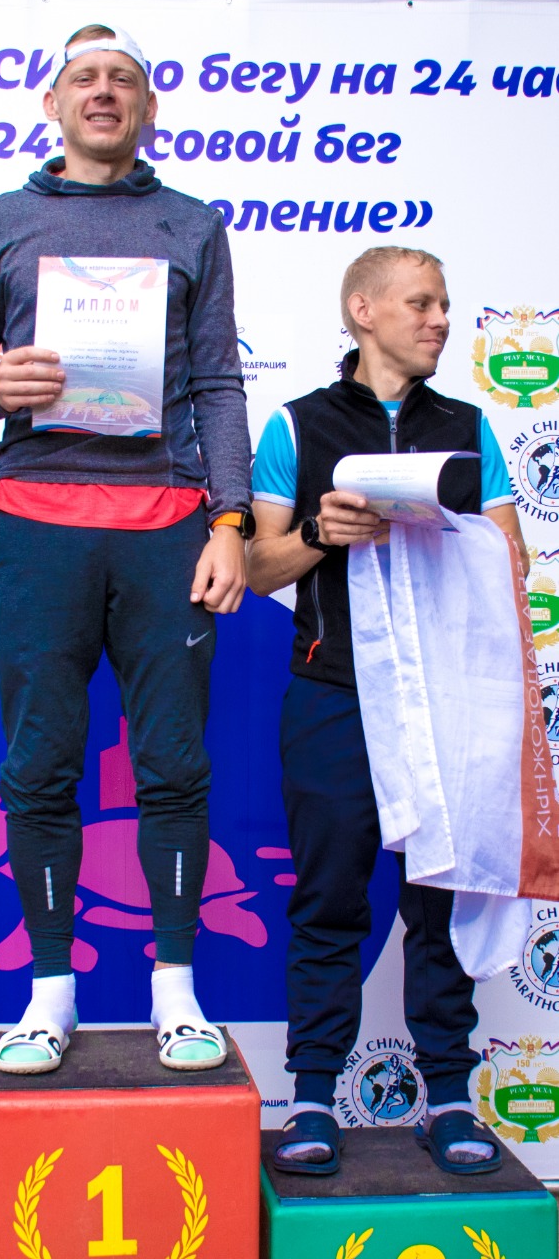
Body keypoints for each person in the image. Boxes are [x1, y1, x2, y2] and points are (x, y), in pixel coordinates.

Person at [0, 23, 253, 1073]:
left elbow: (218, 383)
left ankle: (178, 994)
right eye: (84, 77)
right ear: (54, 103)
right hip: (37, 525)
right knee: (37, 767)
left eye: (123, 78)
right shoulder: (1, 220)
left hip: (165, 527)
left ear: (148, 108)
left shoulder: (192, 223)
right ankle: (48, 996)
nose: (103, 91)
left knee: (174, 765)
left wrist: (230, 519)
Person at [248, 246, 526, 1175]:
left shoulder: (469, 427)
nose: (441, 319)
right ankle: (313, 1097)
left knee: (439, 899)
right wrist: (323, 532)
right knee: (328, 900)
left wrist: (442, 526)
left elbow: (511, 561)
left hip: (446, 702)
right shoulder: (298, 424)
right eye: (422, 303)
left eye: (445, 304)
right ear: (364, 311)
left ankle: (448, 1096)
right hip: (334, 694)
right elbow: (257, 567)